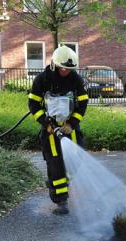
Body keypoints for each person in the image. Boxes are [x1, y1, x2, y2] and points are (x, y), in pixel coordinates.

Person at [28, 46, 89, 215]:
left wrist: (72, 123)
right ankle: (61, 200)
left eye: (69, 69)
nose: (66, 72)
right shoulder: (42, 80)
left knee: (76, 160)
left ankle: (58, 183)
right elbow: (33, 104)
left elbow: (83, 102)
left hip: (70, 127)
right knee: (55, 164)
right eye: (63, 68)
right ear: (55, 65)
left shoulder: (75, 79)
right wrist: (47, 125)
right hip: (50, 129)